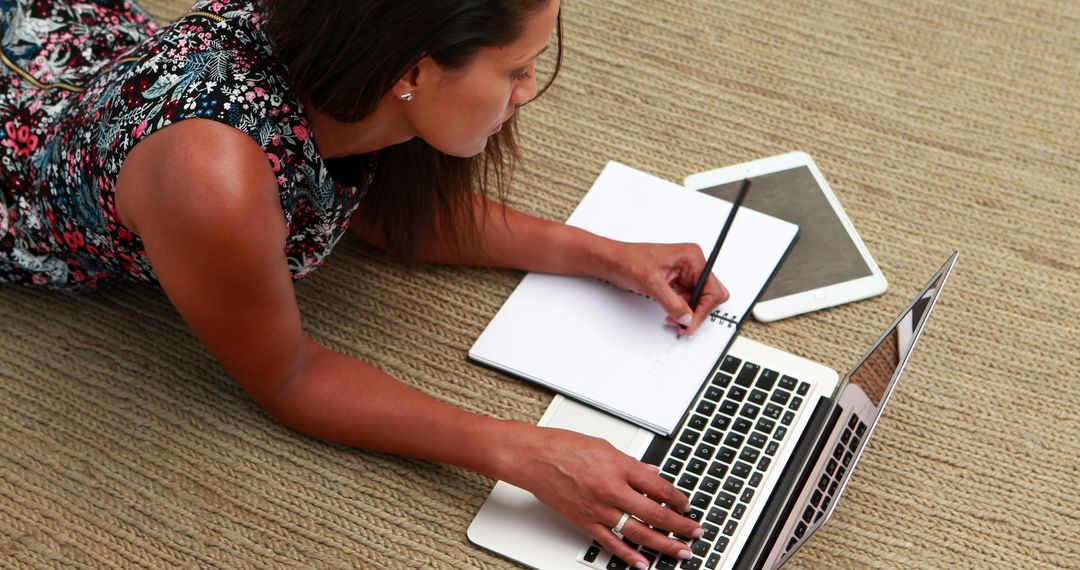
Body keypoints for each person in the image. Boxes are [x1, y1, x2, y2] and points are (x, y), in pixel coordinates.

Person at [0, 0, 730, 567]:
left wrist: (606, 256)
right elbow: (288, 376)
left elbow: (367, 204)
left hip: (78, 57)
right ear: (412, 74)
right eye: (514, 69)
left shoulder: (354, 58)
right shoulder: (212, 180)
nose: (528, 90)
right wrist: (520, 451)